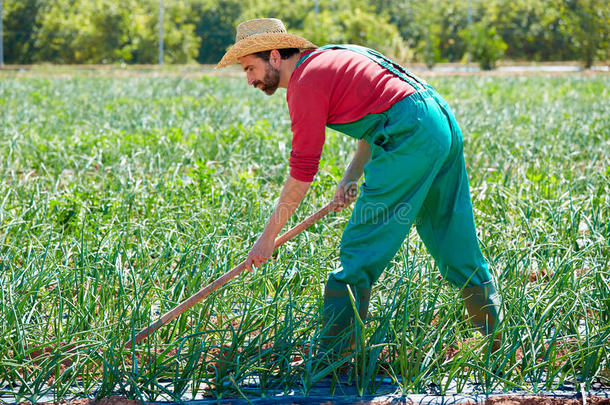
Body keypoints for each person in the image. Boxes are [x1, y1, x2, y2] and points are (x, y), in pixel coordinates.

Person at [216, 18, 502, 355]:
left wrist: (267, 239)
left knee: (358, 251)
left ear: (275, 56)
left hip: (409, 137)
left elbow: (303, 170)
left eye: (250, 67)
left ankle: (332, 365)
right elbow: (383, 111)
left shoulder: (305, 83)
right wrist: (351, 177)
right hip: (438, 124)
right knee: (455, 245)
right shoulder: (334, 56)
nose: (249, 79)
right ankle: (499, 348)